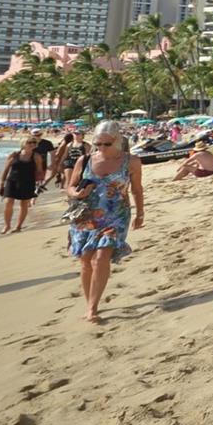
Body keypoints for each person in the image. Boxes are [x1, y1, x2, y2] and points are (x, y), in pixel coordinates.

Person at [66, 121, 143, 324]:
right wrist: (77, 192)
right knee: (85, 260)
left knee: (100, 258)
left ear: (117, 141)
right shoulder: (85, 160)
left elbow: (137, 189)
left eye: (106, 144)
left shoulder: (131, 161)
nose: (101, 148)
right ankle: (89, 302)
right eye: (98, 143)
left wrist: (140, 213)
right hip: (86, 215)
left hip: (116, 214)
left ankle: (92, 308)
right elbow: (70, 186)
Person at [0, 137, 43, 233]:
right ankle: (7, 225)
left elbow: (39, 170)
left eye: (34, 142)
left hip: (28, 182)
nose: (32, 144)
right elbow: (6, 170)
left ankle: (18, 226)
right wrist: (1, 183)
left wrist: (39, 181)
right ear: (23, 143)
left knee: (24, 204)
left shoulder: (36, 156)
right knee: (8, 202)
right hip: (12, 181)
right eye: (29, 142)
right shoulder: (14, 155)